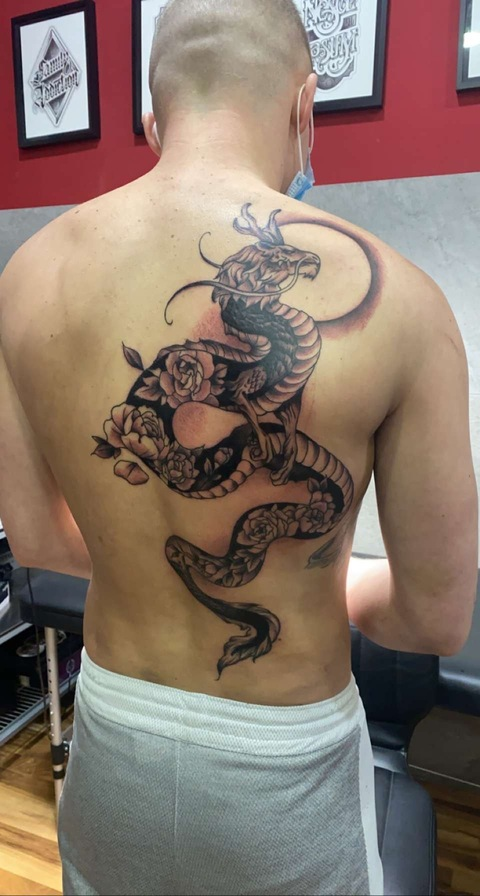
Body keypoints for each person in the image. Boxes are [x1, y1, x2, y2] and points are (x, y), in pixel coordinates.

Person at [0, 0, 477, 893]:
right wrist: (321, 578)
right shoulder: (409, 306)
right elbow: (435, 617)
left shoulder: (25, 278)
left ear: (153, 119)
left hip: (115, 742)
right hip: (284, 771)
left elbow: (36, 539)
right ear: (305, 107)